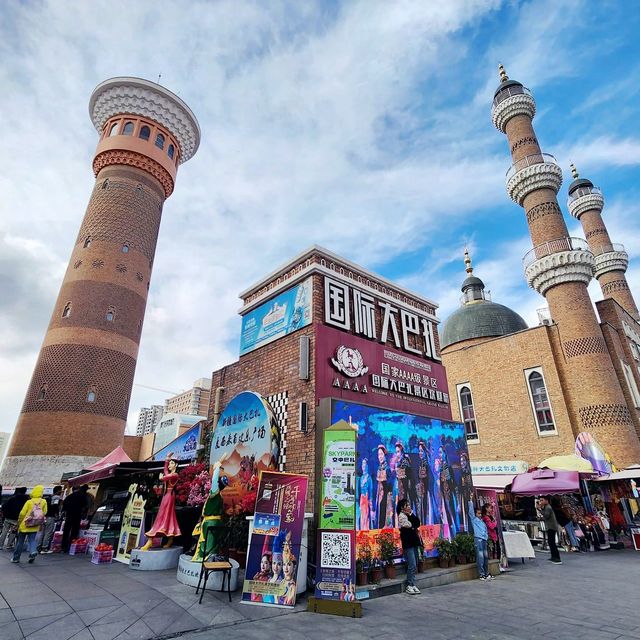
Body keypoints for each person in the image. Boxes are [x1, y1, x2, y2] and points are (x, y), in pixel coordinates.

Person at [191, 457, 229, 561]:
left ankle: (205, 557)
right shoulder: (219, 496)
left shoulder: (215, 493)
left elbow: (214, 480)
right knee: (212, 542)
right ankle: (210, 556)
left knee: (207, 542)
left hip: (210, 522)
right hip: (215, 521)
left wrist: (217, 467)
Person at [12, 485, 47, 563]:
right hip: (35, 524)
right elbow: (44, 512)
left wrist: (19, 522)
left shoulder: (29, 502)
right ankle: (33, 552)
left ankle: (16, 558)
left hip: (25, 524)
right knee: (32, 540)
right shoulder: (44, 501)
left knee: (20, 542)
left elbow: (22, 513)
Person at [397, 498, 422, 594]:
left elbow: (417, 523)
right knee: (412, 564)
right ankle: (409, 585)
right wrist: (413, 526)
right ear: (402, 508)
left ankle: (412, 584)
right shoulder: (401, 516)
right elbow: (408, 525)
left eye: (409, 505)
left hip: (414, 542)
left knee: (415, 563)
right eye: (406, 505)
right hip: (408, 544)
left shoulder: (410, 515)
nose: (409, 507)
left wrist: (411, 517)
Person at [469, 500, 492, 580]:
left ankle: (486, 573)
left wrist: (486, 537)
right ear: (475, 514)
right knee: (480, 557)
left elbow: (486, 530)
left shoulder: (482, 521)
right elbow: (471, 512)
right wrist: (471, 501)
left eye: (480, 513)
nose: (479, 515)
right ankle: (481, 574)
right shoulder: (474, 520)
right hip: (478, 539)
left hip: (484, 539)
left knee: (485, 556)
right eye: (478, 513)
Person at [62, 485, 89, 552]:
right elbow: (85, 506)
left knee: (66, 530)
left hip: (69, 515)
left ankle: (64, 546)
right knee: (74, 530)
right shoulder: (82, 496)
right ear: (78, 489)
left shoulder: (69, 497)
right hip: (77, 515)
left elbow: (64, 506)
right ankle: (72, 544)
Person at [537, 496, 562, 564]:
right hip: (550, 526)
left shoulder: (548, 507)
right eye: (540, 500)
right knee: (551, 542)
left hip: (552, 527)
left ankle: (557, 558)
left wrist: (540, 509)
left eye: (542, 500)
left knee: (552, 542)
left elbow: (546, 516)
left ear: (546, 501)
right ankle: (553, 556)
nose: (541, 502)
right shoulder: (546, 507)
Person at [38, 485, 62, 553]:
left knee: (42, 532)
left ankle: (39, 547)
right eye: (60, 490)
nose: (61, 491)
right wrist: (57, 514)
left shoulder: (48, 497)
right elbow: (55, 506)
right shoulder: (57, 497)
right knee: (48, 533)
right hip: (50, 517)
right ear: (58, 491)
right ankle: (44, 548)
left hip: (44, 516)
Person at [375, 445, 393, 529]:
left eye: (381, 454)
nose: (380, 457)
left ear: (385, 455)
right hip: (379, 497)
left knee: (385, 518)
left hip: (386, 497)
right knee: (379, 516)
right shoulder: (379, 468)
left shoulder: (388, 468)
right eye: (378, 455)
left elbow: (390, 485)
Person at [356, 457, 373, 530]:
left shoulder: (369, 478)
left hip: (366, 499)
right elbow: (359, 490)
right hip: (361, 500)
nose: (363, 465)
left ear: (367, 466)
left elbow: (371, 490)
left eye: (365, 463)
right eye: (363, 463)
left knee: (366, 517)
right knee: (361, 516)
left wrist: (370, 501)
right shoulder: (361, 478)